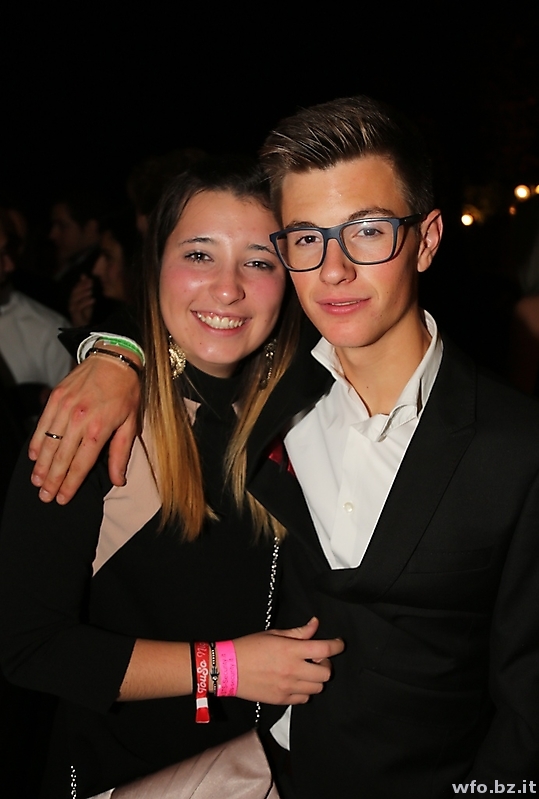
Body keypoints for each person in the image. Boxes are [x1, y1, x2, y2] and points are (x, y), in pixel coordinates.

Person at [23, 97, 539, 797]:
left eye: (366, 231)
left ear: (425, 239)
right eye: (305, 238)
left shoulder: (511, 445)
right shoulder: (257, 401)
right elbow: (198, 314)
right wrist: (117, 351)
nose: (333, 269)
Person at [0, 159, 343, 798]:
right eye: (199, 255)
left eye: (259, 261)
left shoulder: (315, 410)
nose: (227, 288)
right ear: (156, 263)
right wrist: (225, 668)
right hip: (126, 778)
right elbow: (29, 647)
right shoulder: (92, 425)